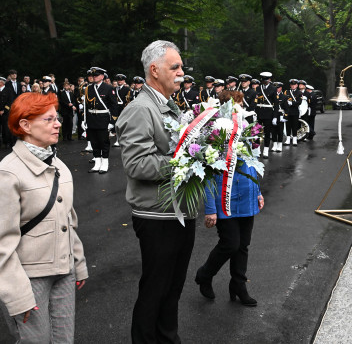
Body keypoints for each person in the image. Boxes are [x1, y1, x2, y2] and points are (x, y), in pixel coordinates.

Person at [0, 92, 88, 343]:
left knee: (64, 339)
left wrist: (79, 263)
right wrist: (17, 295)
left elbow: (68, 221)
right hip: (29, 277)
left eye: (58, 118)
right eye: (49, 119)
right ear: (25, 125)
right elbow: (1, 244)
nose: (58, 124)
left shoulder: (60, 167)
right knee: (36, 340)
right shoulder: (7, 174)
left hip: (63, 271)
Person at [116, 40, 195, 344]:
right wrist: (188, 160)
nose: (181, 72)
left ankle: (168, 339)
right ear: (154, 70)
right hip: (157, 214)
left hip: (178, 211)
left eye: (181, 67)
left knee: (172, 289)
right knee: (156, 289)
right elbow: (137, 165)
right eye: (175, 67)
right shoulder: (139, 109)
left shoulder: (169, 105)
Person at [195, 90, 264, 307]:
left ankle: (238, 284)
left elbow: (252, 164)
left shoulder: (246, 128)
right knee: (230, 243)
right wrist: (209, 208)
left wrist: (258, 192)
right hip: (223, 197)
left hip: (247, 196)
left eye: (241, 103)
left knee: (243, 245)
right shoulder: (213, 134)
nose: (240, 107)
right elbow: (206, 175)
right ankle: (205, 274)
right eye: (236, 103)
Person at [84, 67, 118, 173]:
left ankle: (105, 164)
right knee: (94, 142)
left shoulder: (108, 88)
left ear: (102, 77)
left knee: (103, 142)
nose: (94, 77)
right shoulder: (88, 88)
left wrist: (112, 122)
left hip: (103, 119)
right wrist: (84, 120)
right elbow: (86, 106)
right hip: (91, 119)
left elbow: (114, 106)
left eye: (96, 75)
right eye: (93, 76)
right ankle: (97, 163)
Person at [255, 72, 276, 157]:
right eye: (263, 79)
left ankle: (266, 149)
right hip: (259, 112)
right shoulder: (258, 88)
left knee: (267, 132)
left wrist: (274, 117)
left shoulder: (273, 88)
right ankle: (257, 149)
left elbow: (276, 104)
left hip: (268, 113)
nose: (264, 81)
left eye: (266, 79)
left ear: (270, 80)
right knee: (257, 132)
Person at [283, 79, 302, 146]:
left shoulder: (299, 92)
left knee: (294, 125)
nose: (293, 86)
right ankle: (288, 139)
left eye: (294, 85)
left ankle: (294, 139)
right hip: (288, 111)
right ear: (290, 85)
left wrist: (292, 103)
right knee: (288, 125)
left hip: (295, 111)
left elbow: (299, 102)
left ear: (297, 85)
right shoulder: (287, 92)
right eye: (292, 85)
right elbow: (284, 100)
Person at [271, 81, 286, 152]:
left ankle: (280, 145)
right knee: (273, 130)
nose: (277, 89)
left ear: (281, 88)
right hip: (273, 114)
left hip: (280, 114)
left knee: (280, 131)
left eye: (278, 88)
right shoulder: (271, 96)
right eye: (275, 88)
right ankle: (274, 144)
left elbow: (287, 108)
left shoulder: (284, 97)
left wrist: (285, 116)